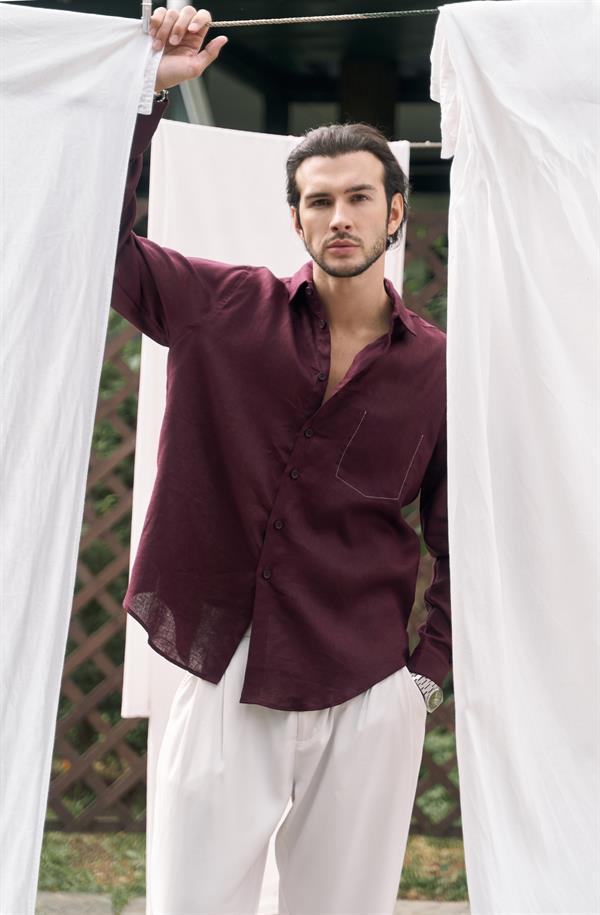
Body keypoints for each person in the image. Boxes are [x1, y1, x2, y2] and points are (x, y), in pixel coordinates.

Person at [112, 7, 451, 914]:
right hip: (223, 666)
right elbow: (97, 246)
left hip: (366, 687)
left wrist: (425, 674)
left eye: (360, 197)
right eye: (319, 200)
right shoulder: (221, 306)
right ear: (296, 218)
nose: (340, 216)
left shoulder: (439, 367)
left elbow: (459, 533)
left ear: (394, 212)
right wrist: (144, 95)